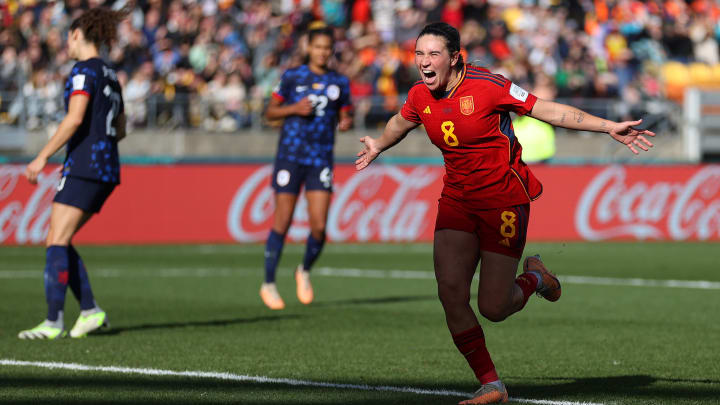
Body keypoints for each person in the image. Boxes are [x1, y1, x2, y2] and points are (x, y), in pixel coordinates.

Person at [355, 22, 654, 404]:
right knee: (450, 292)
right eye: (419, 54)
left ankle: (534, 278)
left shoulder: (488, 86)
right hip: (458, 201)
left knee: (494, 307)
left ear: (454, 58)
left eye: (433, 54)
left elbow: (547, 110)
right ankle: (492, 384)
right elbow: (402, 121)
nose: (424, 63)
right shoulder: (419, 95)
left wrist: (609, 126)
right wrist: (379, 144)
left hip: (502, 201)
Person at [19, 7, 129, 340]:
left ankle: (54, 322)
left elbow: (74, 118)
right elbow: (121, 128)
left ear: (77, 34)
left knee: (55, 240)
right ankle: (90, 311)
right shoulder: (111, 74)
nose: (66, 43)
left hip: (84, 165)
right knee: (60, 239)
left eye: (68, 36)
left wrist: (41, 157)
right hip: (108, 166)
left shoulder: (84, 71)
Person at [260, 24, 353, 310]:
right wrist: (293, 109)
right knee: (283, 221)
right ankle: (269, 283)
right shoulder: (292, 77)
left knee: (319, 226)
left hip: (321, 158)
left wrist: (346, 122)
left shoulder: (340, 82)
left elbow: (346, 114)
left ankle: (304, 270)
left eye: (328, 48)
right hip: (290, 155)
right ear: (308, 48)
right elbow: (269, 113)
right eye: (318, 47)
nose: (323, 52)